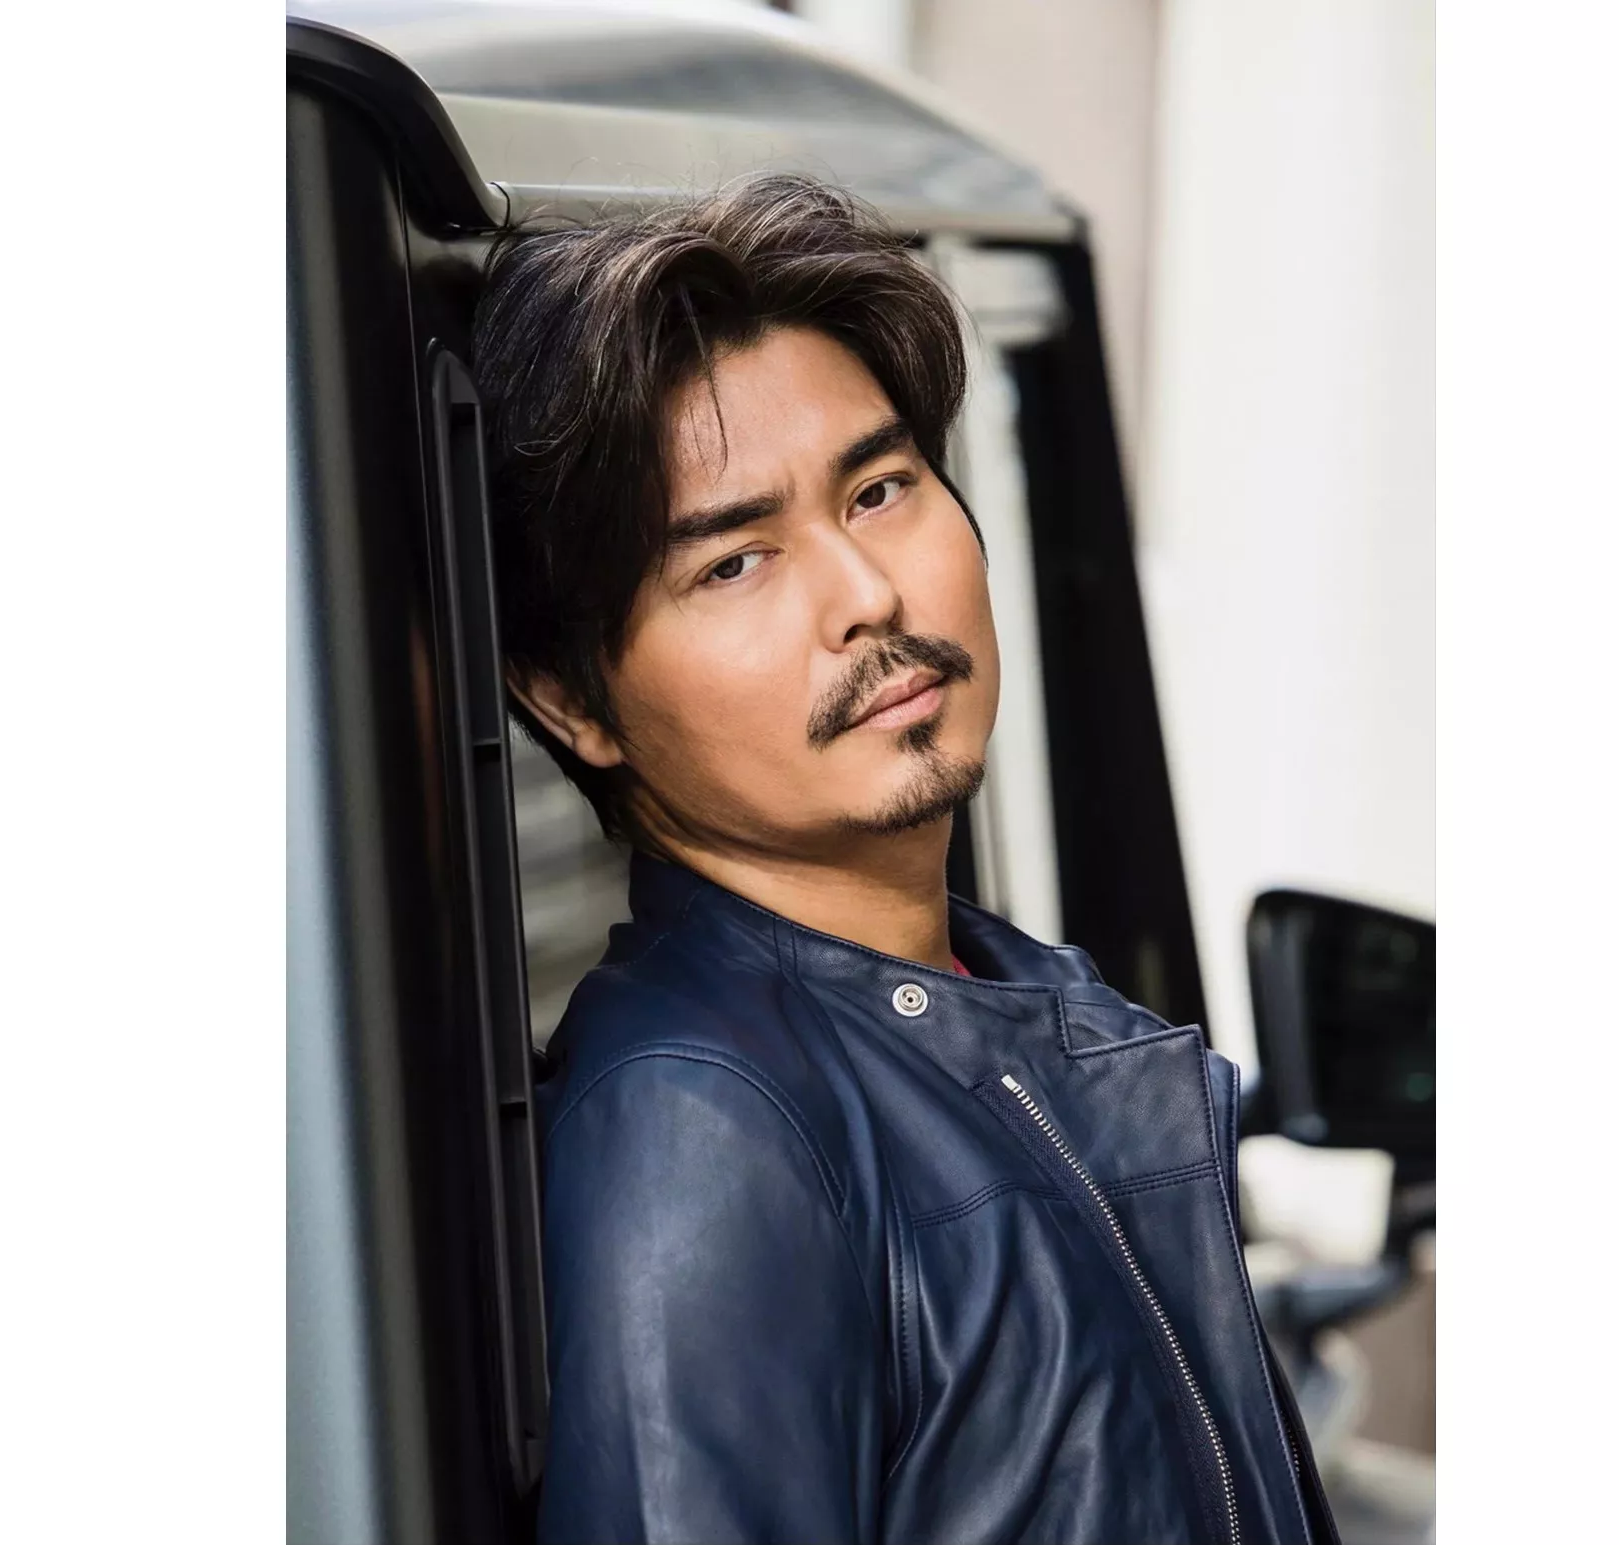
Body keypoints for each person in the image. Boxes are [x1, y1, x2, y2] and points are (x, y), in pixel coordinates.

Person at [475, 173, 1337, 1545]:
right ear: (571, 701)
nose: (867, 595)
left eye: (879, 490)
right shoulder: (706, 1131)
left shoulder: (1017, 1003)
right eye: (734, 563)